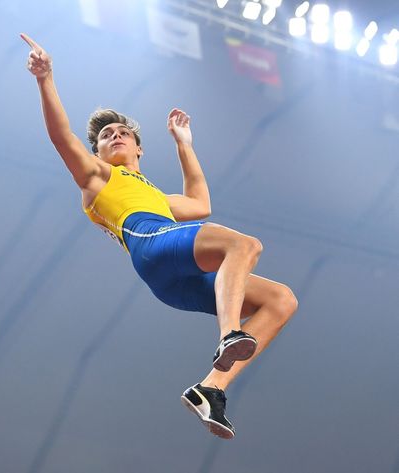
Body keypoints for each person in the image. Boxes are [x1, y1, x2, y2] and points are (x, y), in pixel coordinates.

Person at [21, 33, 298, 440]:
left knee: (281, 298)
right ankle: (228, 336)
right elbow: (62, 137)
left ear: (139, 149)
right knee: (244, 245)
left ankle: (212, 389)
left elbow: (200, 203)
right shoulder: (98, 177)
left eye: (123, 133)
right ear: (96, 152)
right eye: (105, 136)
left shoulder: (157, 196)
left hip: (169, 275)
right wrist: (45, 79)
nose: (115, 136)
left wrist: (184, 145)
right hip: (150, 243)